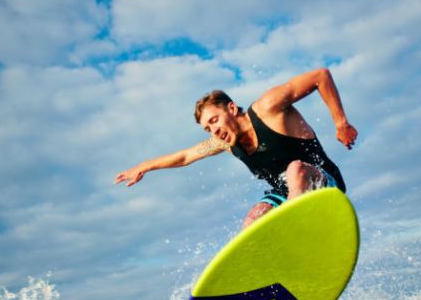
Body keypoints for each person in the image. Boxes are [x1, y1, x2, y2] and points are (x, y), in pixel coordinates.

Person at [114, 67, 358, 228]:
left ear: (231, 109)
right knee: (253, 218)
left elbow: (320, 76)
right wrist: (143, 167)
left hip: (326, 185)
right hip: (288, 196)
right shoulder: (225, 142)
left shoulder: (268, 108)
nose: (214, 131)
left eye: (214, 120)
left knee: (296, 170)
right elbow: (185, 156)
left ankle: (295, 233)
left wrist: (341, 123)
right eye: (207, 129)